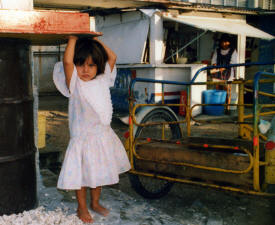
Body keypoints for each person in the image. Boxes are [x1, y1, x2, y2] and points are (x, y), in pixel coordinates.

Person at [53, 35, 131, 224]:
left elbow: (112, 57)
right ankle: (82, 206)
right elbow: (67, 61)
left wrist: (96, 41)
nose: (86, 70)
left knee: (99, 173)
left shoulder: (103, 79)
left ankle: (95, 202)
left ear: (98, 66)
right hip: (83, 139)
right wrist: (72, 39)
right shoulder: (75, 84)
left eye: (91, 65)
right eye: (81, 65)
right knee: (82, 176)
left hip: (102, 136)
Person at [211, 34, 238, 110]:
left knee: (227, 91)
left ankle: (227, 108)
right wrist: (215, 65)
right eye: (223, 42)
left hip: (229, 74)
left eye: (226, 42)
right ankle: (218, 107)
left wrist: (224, 67)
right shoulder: (217, 51)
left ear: (229, 42)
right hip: (218, 73)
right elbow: (213, 61)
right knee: (218, 90)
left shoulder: (233, 51)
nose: (224, 44)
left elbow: (233, 63)